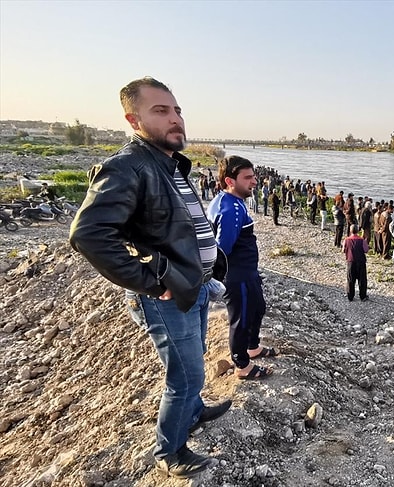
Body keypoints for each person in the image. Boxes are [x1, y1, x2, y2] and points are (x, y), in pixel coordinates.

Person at [69, 77, 230, 479]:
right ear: (132, 118)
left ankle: (193, 412)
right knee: (187, 373)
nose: (175, 119)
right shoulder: (128, 166)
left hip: (189, 287)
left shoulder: (168, 162)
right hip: (167, 294)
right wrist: (151, 282)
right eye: (161, 111)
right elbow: (88, 234)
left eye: (177, 110)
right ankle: (169, 451)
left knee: (192, 364)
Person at [207, 155, 277, 382]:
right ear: (230, 181)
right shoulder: (232, 211)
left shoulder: (226, 200)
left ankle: (252, 347)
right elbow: (221, 250)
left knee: (257, 308)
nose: (254, 182)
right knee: (242, 318)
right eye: (247, 178)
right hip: (238, 276)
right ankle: (242, 365)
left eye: (253, 176)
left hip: (248, 273)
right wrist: (217, 279)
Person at [342, 224, 369, 301]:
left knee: (350, 279)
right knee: (362, 279)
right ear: (358, 231)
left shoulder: (346, 240)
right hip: (360, 261)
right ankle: (363, 296)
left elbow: (343, 250)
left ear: (350, 231)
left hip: (351, 261)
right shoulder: (362, 240)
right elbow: (366, 250)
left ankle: (350, 296)